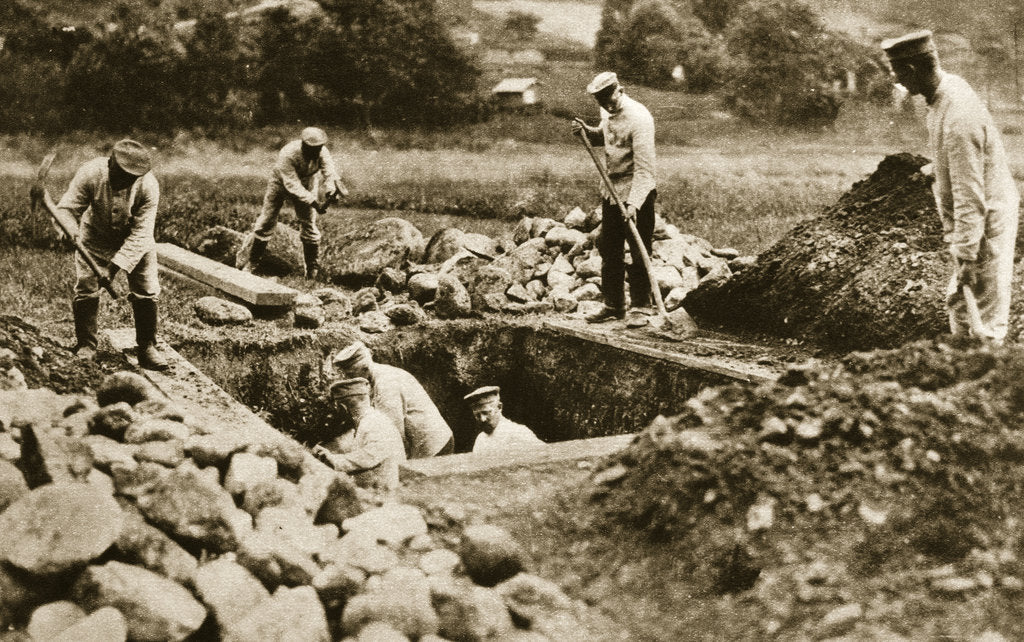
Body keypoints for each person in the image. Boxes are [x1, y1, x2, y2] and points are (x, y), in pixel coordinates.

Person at [883, 31, 1019, 345]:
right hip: (973, 221)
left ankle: (986, 375)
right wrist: (936, 171)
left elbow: (970, 194)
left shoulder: (959, 117)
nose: (898, 81)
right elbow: (961, 163)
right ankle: (962, 369)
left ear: (914, 71)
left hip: (986, 221)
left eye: (899, 73)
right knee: (960, 304)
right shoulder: (944, 93)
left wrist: (969, 256)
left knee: (983, 320)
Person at [56, 139, 168, 370]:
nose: (121, 182)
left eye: (128, 179)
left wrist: (113, 268)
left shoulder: (148, 187)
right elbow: (67, 208)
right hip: (95, 236)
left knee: (146, 289)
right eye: (118, 175)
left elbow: (141, 234)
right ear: (109, 164)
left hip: (136, 240)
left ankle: (147, 346)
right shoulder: (90, 173)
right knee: (87, 286)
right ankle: (86, 345)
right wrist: (69, 230)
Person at [571, 71, 657, 326]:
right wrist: (588, 132)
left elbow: (645, 169)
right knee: (610, 248)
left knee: (640, 250)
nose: (608, 106)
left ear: (620, 89)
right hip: (611, 189)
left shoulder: (640, 117)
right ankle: (614, 305)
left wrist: (633, 205)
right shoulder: (606, 112)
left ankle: (642, 307)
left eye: (610, 99)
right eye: (602, 102)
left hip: (637, 189)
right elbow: (608, 138)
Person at [237, 126, 349, 280]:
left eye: (319, 148)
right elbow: (292, 184)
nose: (316, 152)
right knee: (267, 220)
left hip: (308, 181)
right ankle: (252, 263)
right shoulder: (288, 154)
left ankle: (311, 271)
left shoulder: (322, 152)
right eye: (312, 148)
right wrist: (314, 202)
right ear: (304, 145)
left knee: (309, 224)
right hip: (280, 182)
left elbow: (329, 173)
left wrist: (330, 190)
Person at [331, 341, 454, 458]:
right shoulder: (376, 377)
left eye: (352, 374)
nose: (349, 378)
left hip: (433, 445)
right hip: (422, 442)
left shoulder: (386, 383)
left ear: (365, 368)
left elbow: (392, 433)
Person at [312, 377, 406, 491]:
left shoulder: (374, 423)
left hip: (384, 492)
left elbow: (369, 456)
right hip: (379, 487)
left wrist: (333, 460)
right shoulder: (369, 420)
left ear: (343, 407)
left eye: (336, 407)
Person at [464, 386, 543, 455]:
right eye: (477, 415)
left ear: (499, 407)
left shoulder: (518, 432)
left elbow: (545, 458)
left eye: (486, 413)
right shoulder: (480, 440)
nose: (482, 419)